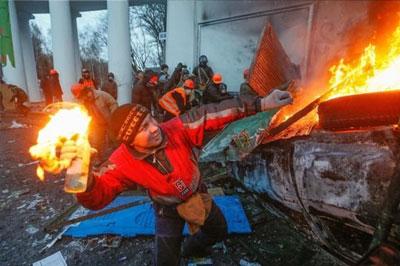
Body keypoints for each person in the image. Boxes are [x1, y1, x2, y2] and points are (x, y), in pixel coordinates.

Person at [57, 85, 293, 266]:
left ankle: (191, 250)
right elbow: (99, 196)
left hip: (197, 195)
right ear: (129, 142)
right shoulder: (120, 162)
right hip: (166, 208)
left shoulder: (176, 128)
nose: (154, 129)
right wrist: (84, 179)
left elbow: (212, 113)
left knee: (218, 230)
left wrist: (261, 103)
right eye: (142, 129)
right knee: (165, 260)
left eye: (150, 120)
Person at [71, 84, 118, 165]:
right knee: (96, 142)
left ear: (87, 92)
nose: (82, 99)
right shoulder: (83, 101)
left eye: (82, 96)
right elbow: (78, 109)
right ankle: (98, 159)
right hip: (97, 124)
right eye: (80, 98)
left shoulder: (102, 95)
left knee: (116, 139)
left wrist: (114, 116)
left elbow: (113, 103)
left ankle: (121, 156)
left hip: (109, 122)